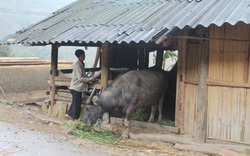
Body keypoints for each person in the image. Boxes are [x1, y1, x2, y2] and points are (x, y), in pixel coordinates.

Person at [65, 49, 96, 120]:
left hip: (78, 88)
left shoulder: (82, 64)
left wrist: (90, 77)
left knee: (76, 101)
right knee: (77, 104)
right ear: (78, 57)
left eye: (84, 55)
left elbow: (84, 76)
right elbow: (80, 78)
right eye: (82, 55)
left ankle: (68, 114)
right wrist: (91, 79)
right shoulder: (77, 65)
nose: (84, 56)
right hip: (75, 87)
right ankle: (75, 119)